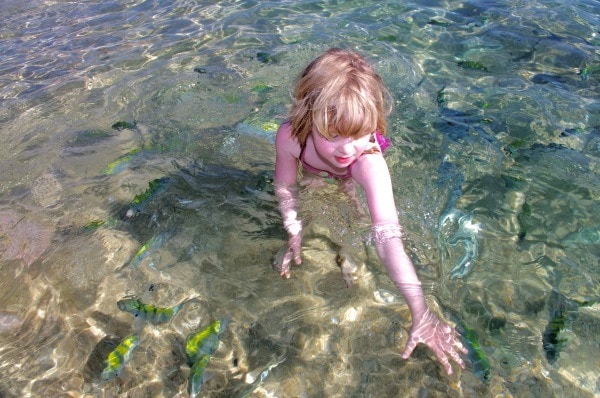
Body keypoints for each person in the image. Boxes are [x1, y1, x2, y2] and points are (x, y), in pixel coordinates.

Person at [273, 48, 466, 375]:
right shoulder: (291, 137)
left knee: (357, 212)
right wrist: (294, 228)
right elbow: (284, 187)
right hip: (313, 169)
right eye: (333, 136)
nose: (346, 149)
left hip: (357, 176)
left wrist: (421, 313)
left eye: (359, 134)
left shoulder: (367, 161)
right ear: (309, 116)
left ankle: (350, 242)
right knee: (313, 190)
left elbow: (389, 239)